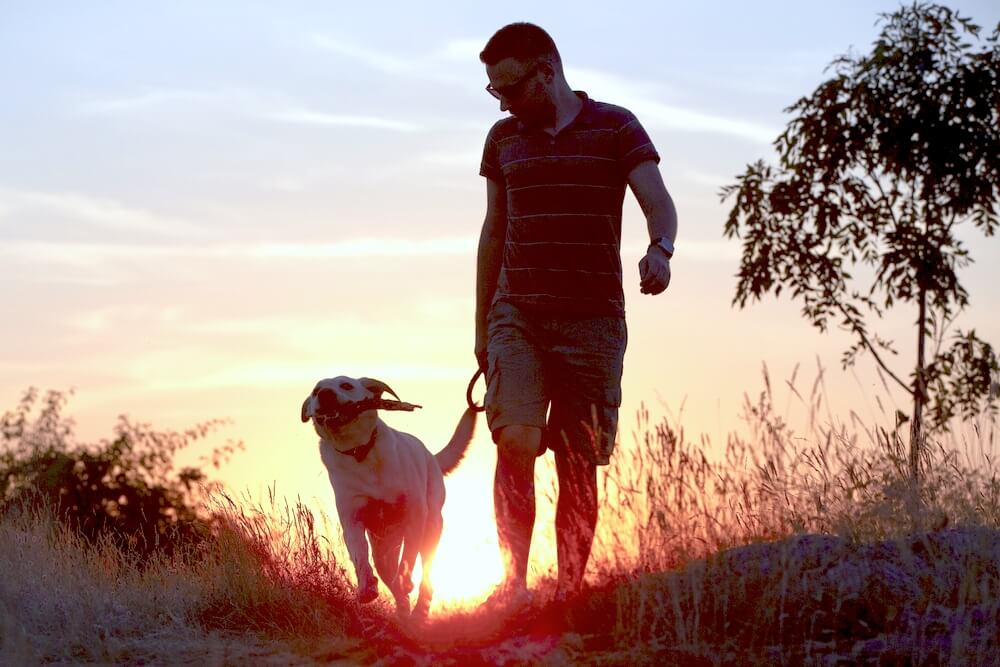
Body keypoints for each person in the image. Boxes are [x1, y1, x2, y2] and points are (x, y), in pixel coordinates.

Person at [475, 23, 678, 610]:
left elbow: (658, 201)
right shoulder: (503, 138)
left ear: (546, 69)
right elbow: (494, 230)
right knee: (513, 439)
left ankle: (567, 594)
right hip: (517, 317)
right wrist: (481, 327)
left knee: (576, 460)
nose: (504, 101)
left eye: (509, 87)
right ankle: (512, 586)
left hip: (593, 321)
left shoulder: (616, 125)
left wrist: (659, 249)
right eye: (494, 92)